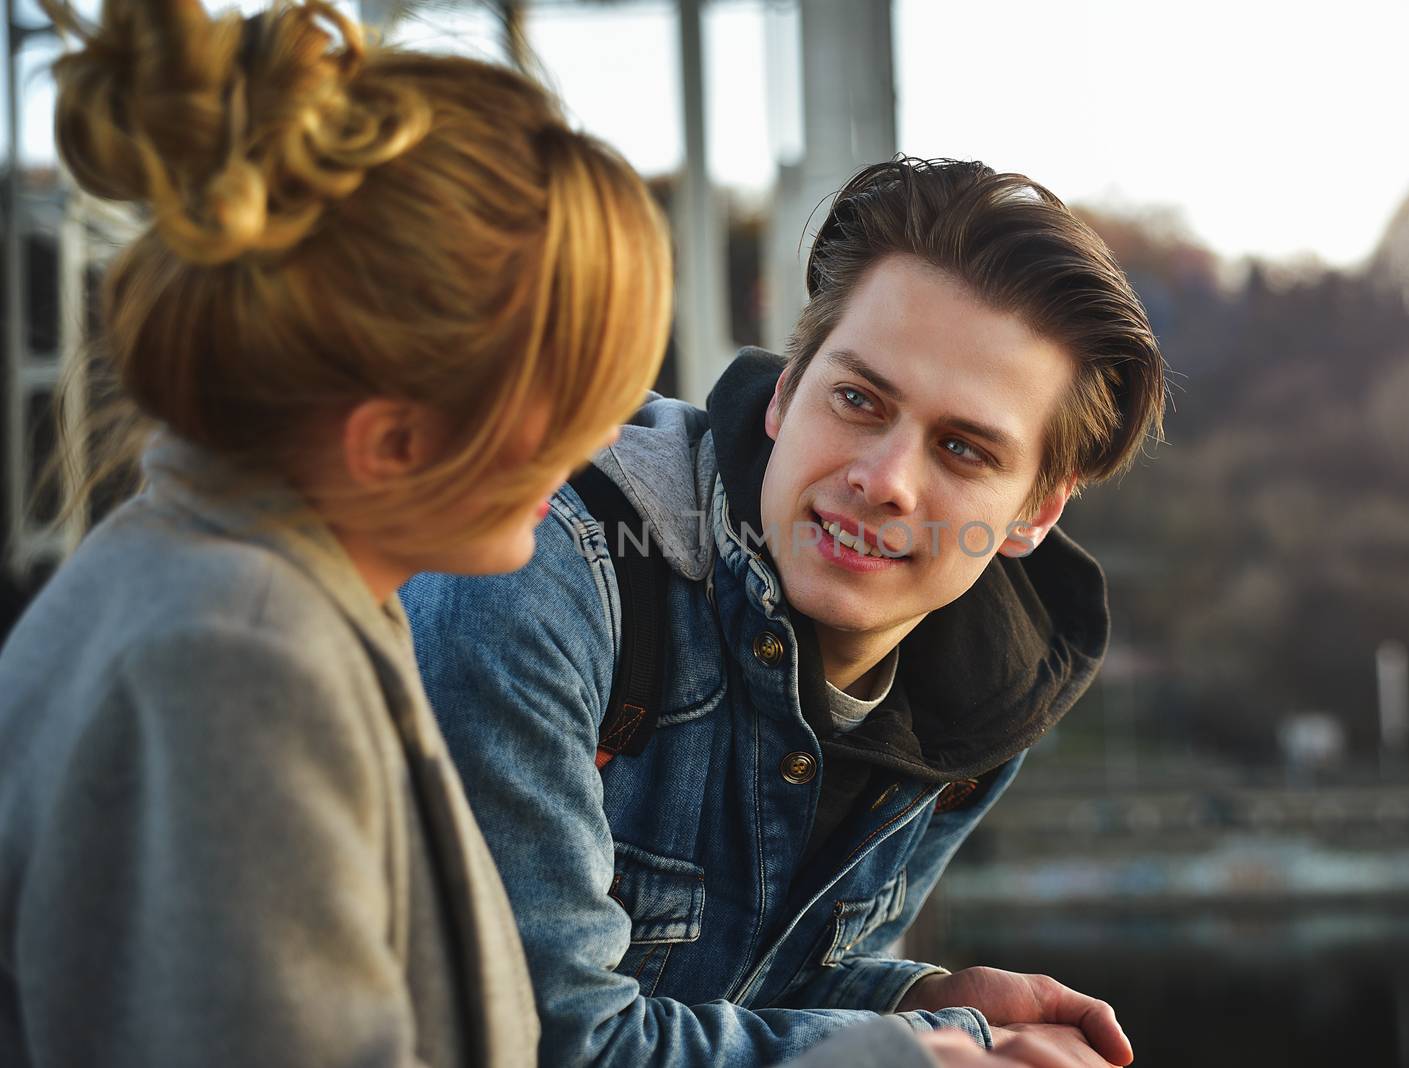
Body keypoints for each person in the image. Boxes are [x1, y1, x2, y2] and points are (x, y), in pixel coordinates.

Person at [0, 1, 673, 1064]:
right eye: (574, 402)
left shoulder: (234, 597)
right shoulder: (236, 666)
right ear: (395, 442)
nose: (600, 447)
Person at [402, 155, 1167, 1067]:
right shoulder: (543, 562)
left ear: (1037, 512)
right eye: (857, 399)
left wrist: (917, 995)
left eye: (963, 450)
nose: (883, 480)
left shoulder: (983, 699)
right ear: (785, 390)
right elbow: (549, 1043)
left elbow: (765, 988)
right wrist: (934, 1051)